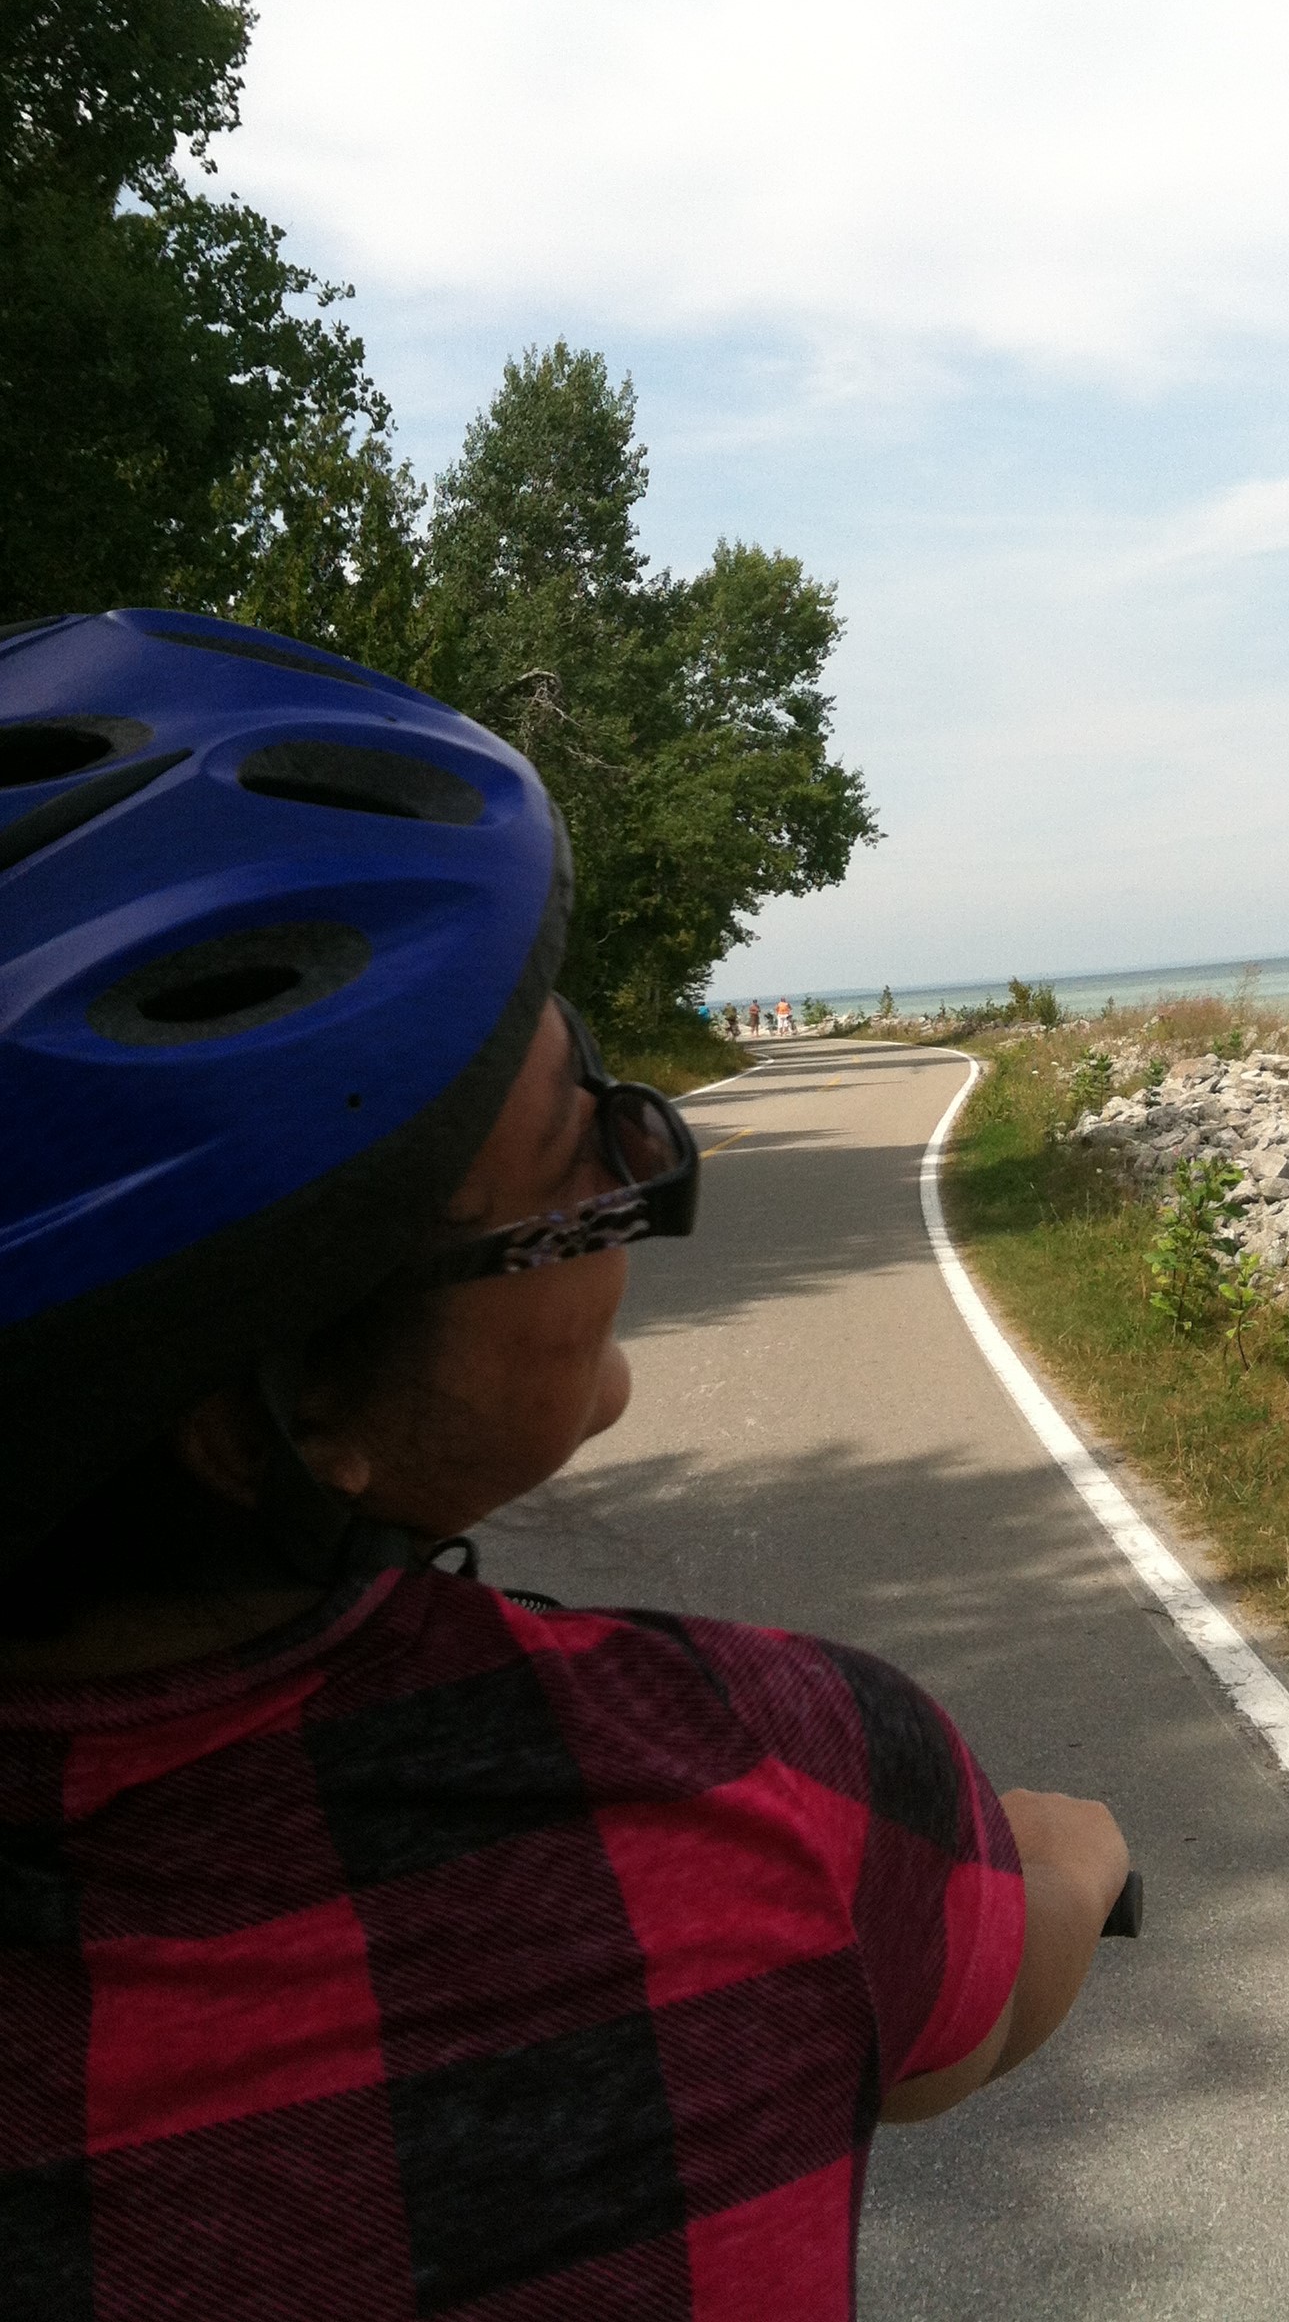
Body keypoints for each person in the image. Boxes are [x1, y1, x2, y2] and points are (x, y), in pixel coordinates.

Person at [0, 611, 1128, 2318]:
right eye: (571, 1153)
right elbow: (973, 2005)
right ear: (279, 1424)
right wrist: (1081, 1859)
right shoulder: (741, 1778)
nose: (644, 1160)